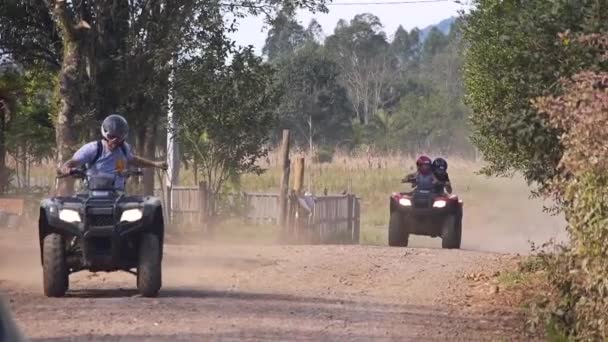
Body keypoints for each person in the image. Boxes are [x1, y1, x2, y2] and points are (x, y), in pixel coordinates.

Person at [59, 113, 167, 190]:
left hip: (117, 194)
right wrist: (67, 169)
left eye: (118, 137)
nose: (114, 140)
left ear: (123, 136)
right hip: (92, 191)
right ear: (105, 134)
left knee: (140, 213)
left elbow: (133, 160)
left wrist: (155, 164)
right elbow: (71, 163)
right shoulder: (93, 149)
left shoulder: (124, 149)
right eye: (112, 137)